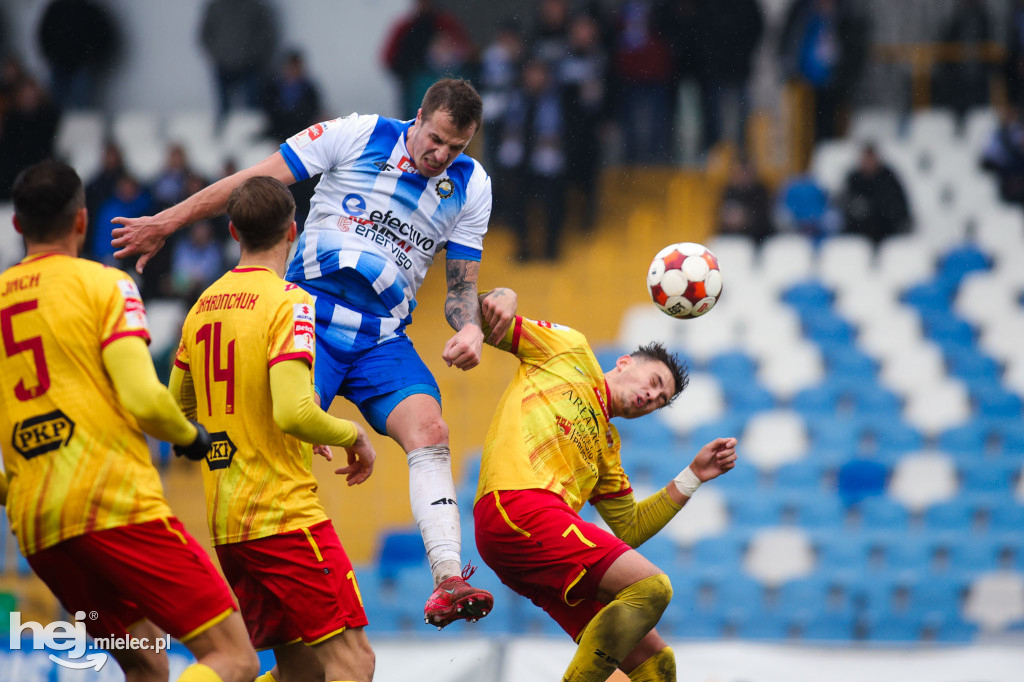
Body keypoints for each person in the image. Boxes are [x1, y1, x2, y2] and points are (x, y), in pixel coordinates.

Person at [110, 78, 516, 629]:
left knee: (432, 431)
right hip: (306, 316)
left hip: (380, 337)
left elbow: (461, 287)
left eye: (456, 147)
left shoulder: (472, 185)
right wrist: (166, 222)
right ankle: (224, 589)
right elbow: (252, 182)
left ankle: (448, 577)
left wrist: (469, 328)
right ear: (418, 116)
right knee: (280, 439)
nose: (441, 155)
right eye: (436, 139)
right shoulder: (358, 135)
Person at [0, 160, 258, 682]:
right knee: (234, 657)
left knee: (146, 663)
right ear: (82, 220)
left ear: (18, 224)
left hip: (39, 526)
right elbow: (143, 398)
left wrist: (13, 488)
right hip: (112, 505)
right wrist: (189, 436)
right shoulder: (105, 286)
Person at [170, 177, 377, 682]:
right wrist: (352, 434)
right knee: (355, 663)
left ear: (233, 231)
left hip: (228, 524)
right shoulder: (289, 301)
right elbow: (293, 411)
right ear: (292, 230)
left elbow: (176, 409)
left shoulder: (202, 306)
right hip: (282, 516)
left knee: (300, 671)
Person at [473, 311, 737, 681]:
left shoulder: (607, 447)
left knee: (655, 664)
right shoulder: (569, 350)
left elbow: (630, 527)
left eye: (660, 400)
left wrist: (693, 475)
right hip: (516, 506)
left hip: (535, 544)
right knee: (651, 587)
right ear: (625, 362)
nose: (652, 397)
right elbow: (485, 318)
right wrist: (497, 299)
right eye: (654, 382)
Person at [839, 143, 911, 246]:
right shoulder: (853, 179)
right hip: (857, 233)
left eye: (871, 159)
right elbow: (844, 205)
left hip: (885, 232)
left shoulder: (888, 178)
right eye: (866, 159)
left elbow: (899, 208)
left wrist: (873, 208)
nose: (869, 163)